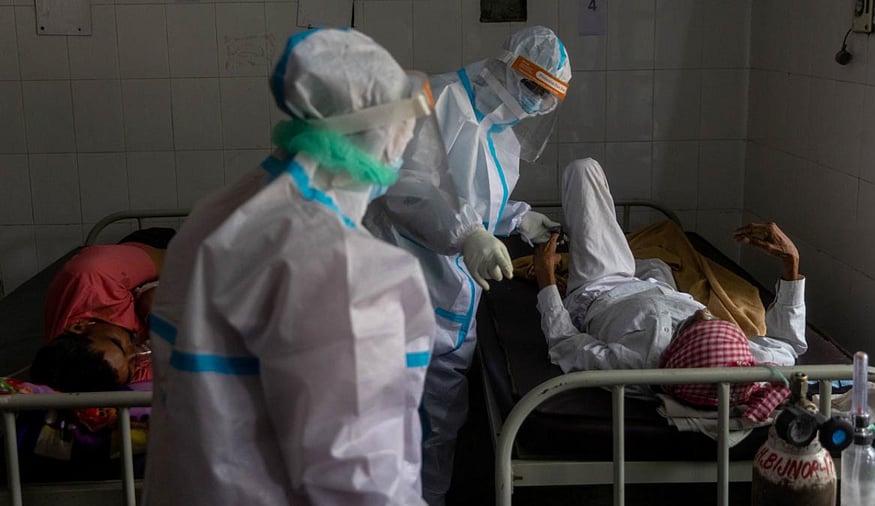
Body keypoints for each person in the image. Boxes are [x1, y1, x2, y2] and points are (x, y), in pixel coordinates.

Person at [142, 28, 449, 506]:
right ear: (375, 127)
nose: (408, 139)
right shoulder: (338, 263)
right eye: (405, 121)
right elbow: (359, 479)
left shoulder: (216, 216)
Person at [363, 25, 572, 504]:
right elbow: (408, 190)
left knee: (440, 422)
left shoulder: (501, 132)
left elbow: (480, 201)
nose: (538, 103)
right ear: (508, 66)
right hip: (402, 291)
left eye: (548, 96)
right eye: (535, 87)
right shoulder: (438, 103)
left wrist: (520, 219)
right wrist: (467, 233)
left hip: (452, 300)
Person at [531, 157, 808, 399]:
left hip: (603, 286)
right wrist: (791, 263)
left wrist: (547, 279)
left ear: (681, 350)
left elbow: (564, 344)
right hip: (660, 285)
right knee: (658, 261)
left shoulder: (636, 364)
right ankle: (603, 252)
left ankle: (581, 256)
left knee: (584, 170)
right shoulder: (733, 364)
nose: (705, 314)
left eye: (699, 327)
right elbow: (788, 350)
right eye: (714, 322)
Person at [30, 229, 171, 391]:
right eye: (132, 365)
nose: (134, 350)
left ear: (79, 326)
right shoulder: (85, 373)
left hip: (154, 252)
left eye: (118, 343)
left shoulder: (95, 277)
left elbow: (175, 258)